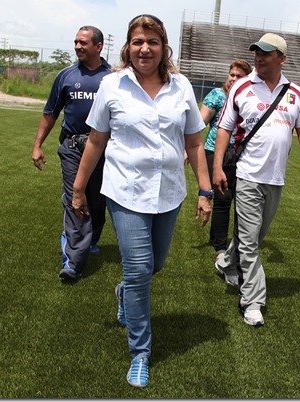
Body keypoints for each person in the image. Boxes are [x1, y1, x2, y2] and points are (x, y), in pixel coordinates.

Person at [71, 14, 211, 388]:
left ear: (164, 47)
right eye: (137, 41)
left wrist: (205, 189)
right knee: (138, 269)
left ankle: (124, 293)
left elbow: (194, 142)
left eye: (152, 41)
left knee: (155, 265)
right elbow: (96, 140)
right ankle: (140, 353)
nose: (144, 48)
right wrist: (79, 187)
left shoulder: (181, 87)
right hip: (126, 192)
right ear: (128, 47)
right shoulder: (113, 86)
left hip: (168, 194)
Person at [212, 33, 300, 327]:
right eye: (257, 52)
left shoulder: (294, 92)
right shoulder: (241, 88)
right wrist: (218, 167)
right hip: (246, 174)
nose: (259, 57)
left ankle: (225, 262)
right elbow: (223, 128)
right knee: (250, 243)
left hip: (276, 179)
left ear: (281, 58)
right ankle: (253, 301)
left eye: (266, 53)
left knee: (254, 238)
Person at [32, 25, 112, 281]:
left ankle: (91, 239)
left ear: (98, 46)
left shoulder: (113, 78)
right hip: (71, 147)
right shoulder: (65, 76)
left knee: (98, 201)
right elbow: (50, 113)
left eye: (83, 43)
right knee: (74, 198)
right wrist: (37, 145)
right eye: (76, 42)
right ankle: (73, 261)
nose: (77, 46)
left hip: (104, 149)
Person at [200, 59, 252, 261]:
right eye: (232, 75)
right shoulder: (217, 95)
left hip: (241, 153)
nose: (234, 79)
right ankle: (220, 246)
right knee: (223, 198)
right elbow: (201, 122)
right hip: (215, 150)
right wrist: (189, 147)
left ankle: (228, 240)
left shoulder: (250, 98)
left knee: (240, 199)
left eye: (239, 76)